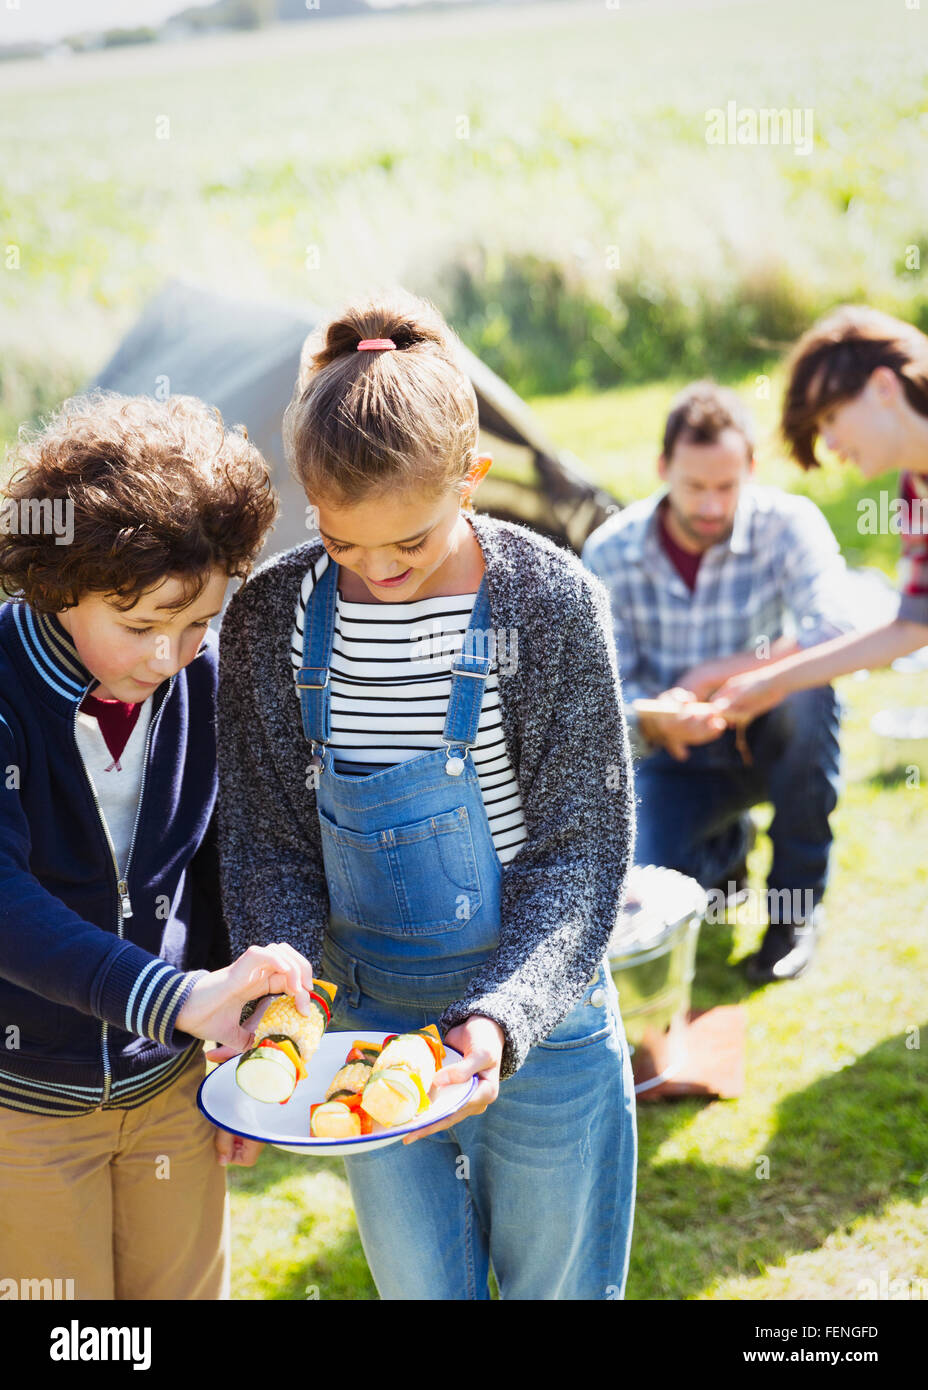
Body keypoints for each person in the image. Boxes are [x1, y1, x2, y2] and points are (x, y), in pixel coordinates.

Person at [214, 291, 638, 1301]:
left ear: (471, 477)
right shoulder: (272, 616)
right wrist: (281, 991)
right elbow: (266, 839)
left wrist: (495, 1018)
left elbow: (579, 851)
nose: (376, 568)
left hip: (542, 1023)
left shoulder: (545, 599)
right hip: (368, 1028)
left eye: (407, 543)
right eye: (343, 540)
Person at [0, 391, 319, 1301]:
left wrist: (250, 1033)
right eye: (138, 626)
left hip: (174, 1094)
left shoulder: (201, 680)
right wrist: (178, 996)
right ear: (56, 583)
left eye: (199, 622)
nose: (168, 655)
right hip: (24, 1106)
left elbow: (220, 864)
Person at [582, 382, 856, 982]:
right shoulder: (611, 551)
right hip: (668, 756)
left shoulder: (788, 524)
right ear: (662, 469)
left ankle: (794, 915)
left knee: (810, 691)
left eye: (727, 487)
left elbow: (838, 625)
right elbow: (599, 686)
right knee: (643, 899)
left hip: (768, 739)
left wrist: (717, 675)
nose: (711, 505)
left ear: (752, 470)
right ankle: (723, 853)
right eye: (695, 486)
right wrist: (653, 715)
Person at [713, 306, 928, 720]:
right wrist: (774, 681)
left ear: (884, 386)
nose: (829, 443)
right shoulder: (915, 491)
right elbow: (913, 626)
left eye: (831, 417)